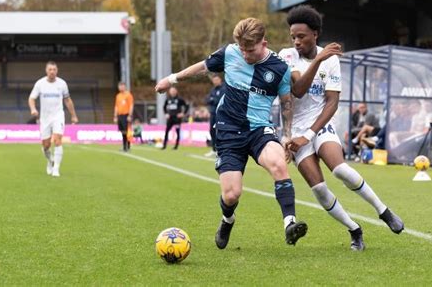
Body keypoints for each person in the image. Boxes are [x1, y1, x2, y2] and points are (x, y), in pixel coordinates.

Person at [155, 17, 307, 249]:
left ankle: (290, 223)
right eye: (242, 49)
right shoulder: (230, 52)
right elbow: (202, 67)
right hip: (228, 130)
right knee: (231, 194)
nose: (245, 54)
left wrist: (286, 134)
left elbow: (287, 103)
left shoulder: (280, 68)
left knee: (278, 164)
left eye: (250, 50)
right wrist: (171, 79)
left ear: (263, 42)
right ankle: (228, 219)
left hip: (258, 129)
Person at [279, 5, 404, 251]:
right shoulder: (288, 56)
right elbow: (298, 89)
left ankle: (384, 211)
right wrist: (318, 59)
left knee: (341, 170)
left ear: (315, 34)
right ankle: (355, 230)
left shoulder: (332, 59)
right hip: (297, 132)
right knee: (320, 190)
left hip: (320, 125)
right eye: (293, 36)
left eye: (301, 36)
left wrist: (310, 135)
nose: (296, 41)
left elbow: (332, 102)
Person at [28, 61, 78, 177]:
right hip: (45, 118)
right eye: (50, 69)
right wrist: (33, 109)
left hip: (58, 116)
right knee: (46, 146)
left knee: (57, 140)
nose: (52, 72)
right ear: (46, 71)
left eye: (54, 69)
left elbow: (67, 100)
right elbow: (31, 98)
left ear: (57, 71)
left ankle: (56, 169)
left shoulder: (62, 84)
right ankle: (50, 160)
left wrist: (73, 115)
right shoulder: (40, 84)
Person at [205, 73, 226, 157]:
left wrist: (212, 99)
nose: (215, 81)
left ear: (220, 79)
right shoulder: (213, 90)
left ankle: (221, 150)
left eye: (216, 79)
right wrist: (212, 99)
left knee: (220, 131)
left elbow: (219, 100)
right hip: (213, 113)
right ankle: (214, 149)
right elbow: (207, 100)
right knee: (212, 131)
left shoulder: (224, 88)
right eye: (214, 80)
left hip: (221, 113)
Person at [113, 81, 134, 152]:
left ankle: (128, 146)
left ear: (124, 86)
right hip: (120, 115)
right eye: (119, 86)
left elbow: (131, 105)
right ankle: (124, 146)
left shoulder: (128, 95)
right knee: (122, 131)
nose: (120, 87)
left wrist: (130, 115)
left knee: (127, 131)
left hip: (126, 115)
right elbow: (116, 106)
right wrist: (115, 116)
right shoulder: (118, 96)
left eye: (121, 86)